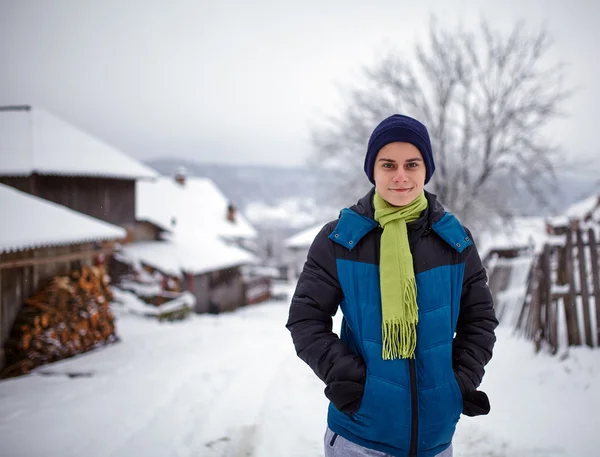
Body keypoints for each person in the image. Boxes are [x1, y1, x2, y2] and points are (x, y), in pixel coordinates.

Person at [286, 114, 498, 457]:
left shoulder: (455, 241)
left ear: (426, 170)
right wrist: (353, 382)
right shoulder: (340, 239)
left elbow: (480, 320)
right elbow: (305, 320)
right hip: (359, 438)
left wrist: (457, 384)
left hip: (435, 441)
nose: (400, 176)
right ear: (373, 170)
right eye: (388, 165)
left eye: (411, 164)